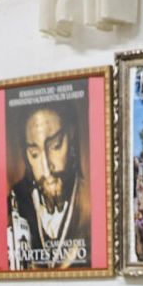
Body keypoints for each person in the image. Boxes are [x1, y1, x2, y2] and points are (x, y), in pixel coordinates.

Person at [5, 101, 91, 270]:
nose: (46, 169)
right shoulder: (17, 202)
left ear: (71, 135)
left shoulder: (90, 199)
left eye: (55, 146)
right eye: (34, 154)